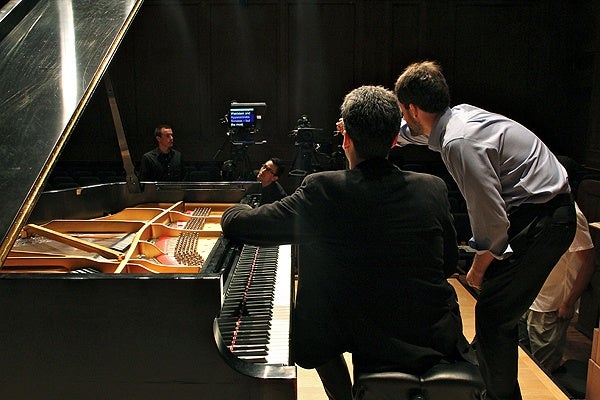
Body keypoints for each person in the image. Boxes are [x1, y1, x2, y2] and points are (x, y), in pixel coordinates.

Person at [221, 85, 474, 400]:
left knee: (314, 327)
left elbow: (242, 225)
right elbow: (449, 263)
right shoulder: (431, 189)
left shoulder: (322, 190)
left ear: (346, 139)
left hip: (346, 328)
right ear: (395, 140)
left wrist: (234, 206)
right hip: (424, 329)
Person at [393, 60, 577, 400]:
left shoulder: (458, 142)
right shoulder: (459, 116)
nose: (405, 121)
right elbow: (413, 132)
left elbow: (490, 217)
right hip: (541, 213)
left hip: (545, 220)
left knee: (493, 315)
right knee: (496, 312)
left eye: (403, 113)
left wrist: (478, 267)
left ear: (412, 108)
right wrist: (395, 137)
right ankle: (490, 387)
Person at [521, 202, 594, 373]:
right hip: (527, 297)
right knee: (522, 363)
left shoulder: (571, 215)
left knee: (543, 370)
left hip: (551, 304)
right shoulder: (534, 206)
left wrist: (569, 302)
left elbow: (588, 261)